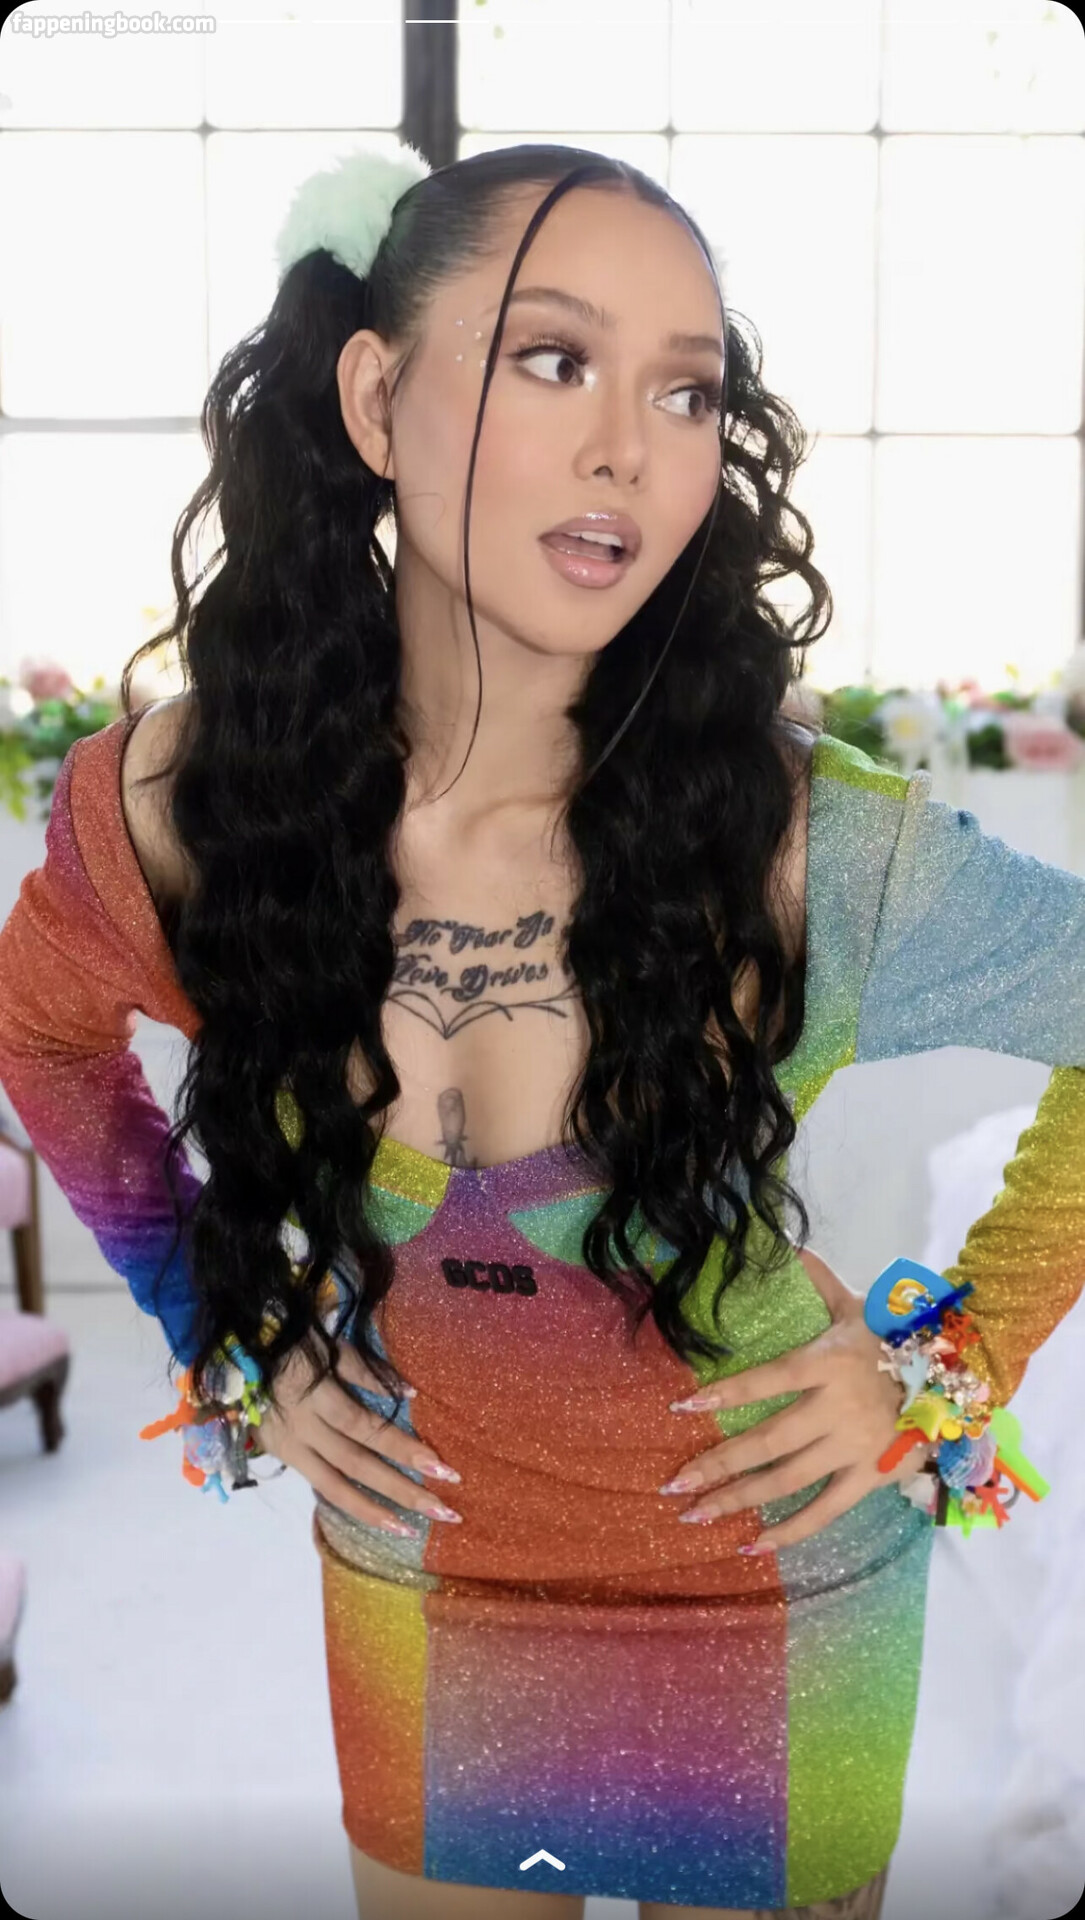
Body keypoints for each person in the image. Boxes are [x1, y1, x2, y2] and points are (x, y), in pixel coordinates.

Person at [1, 140, 1083, 1920]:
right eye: (554, 359)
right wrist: (229, 1326)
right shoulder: (190, 807)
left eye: (685, 392)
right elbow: (42, 1037)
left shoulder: (807, 843)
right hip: (420, 1583)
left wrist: (943, 1357)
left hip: (773, 1598)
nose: (627, 449)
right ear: (376, 397)